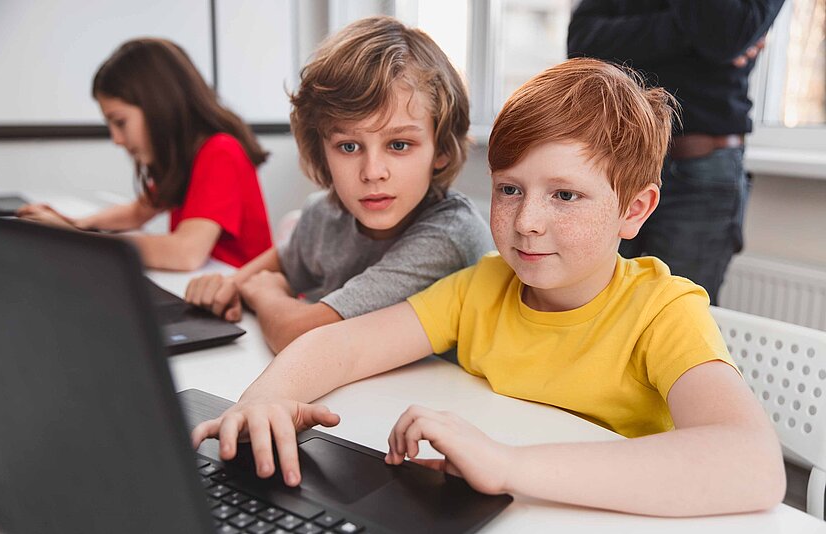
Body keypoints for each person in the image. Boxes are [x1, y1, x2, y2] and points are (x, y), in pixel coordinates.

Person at [191, 58, 786, 517]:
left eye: (565, 194)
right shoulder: (482, 286)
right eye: (509, 189)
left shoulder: (663, 311)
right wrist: (264, 399)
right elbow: (342, 345)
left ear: (634, 209)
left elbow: (753, 464)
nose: (527, 221)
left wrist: (507, 465)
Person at [184, 16, 493, 353]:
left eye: (399, 145)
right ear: (323, 151)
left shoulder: (448, 236)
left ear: (442, 150)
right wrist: (227, 285)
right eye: (348, 146)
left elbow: (301, 337)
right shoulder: (324, 213)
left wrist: (265, 294)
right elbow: (281, 263)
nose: (372, 172)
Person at [568, 0, 786, 303]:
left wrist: (711, 37)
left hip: (701, 168)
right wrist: (696, 37)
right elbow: (582, 45)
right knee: (590, 303)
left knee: (680, 311)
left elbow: (726, 33)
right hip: (616, 158)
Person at [18, 38, 273, 271]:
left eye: (120, 122)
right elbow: (136, 212)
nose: (116, 139)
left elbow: (185, 253)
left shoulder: (221, 152)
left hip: (241, 297)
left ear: (159, 106)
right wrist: (75, 224)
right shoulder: (185, 160)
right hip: (206, 288)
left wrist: (79, 239)